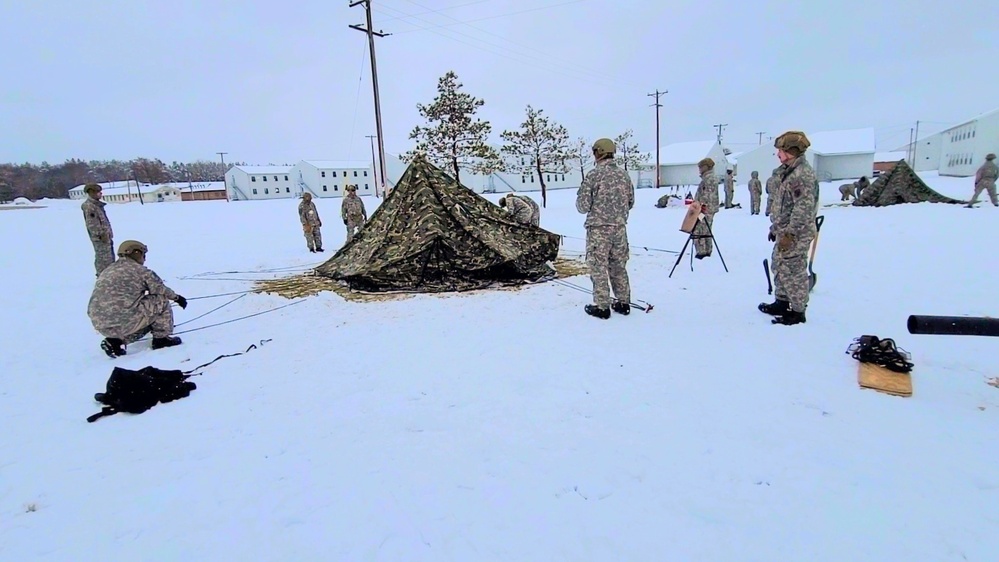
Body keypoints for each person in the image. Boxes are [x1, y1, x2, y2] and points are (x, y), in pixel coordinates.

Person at [759, 131, 819, 326]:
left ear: (792, 151)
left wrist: (790, 233)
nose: (778, 154)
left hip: (796, 233)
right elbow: (785, 205)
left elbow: (802, 209)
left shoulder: (802, 175)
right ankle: (782, 302)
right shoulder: (788, 171)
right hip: (784, 231)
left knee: (794, 270)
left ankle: (798, 311)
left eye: (781, 150)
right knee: (779, 264)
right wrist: (776, 228)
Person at [88, 240, 186, 357]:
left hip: (100, 322)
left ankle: (115, 342)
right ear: (135, 253)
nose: (144, 258)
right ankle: (161, 339)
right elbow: (160, 289)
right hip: (124, 319)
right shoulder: (141, 271)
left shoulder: (108, 270)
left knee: (142, 320)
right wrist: (177, 298)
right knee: (161, 300)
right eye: (143, 254)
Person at [575, 138, 634, 319]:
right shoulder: (624, 175)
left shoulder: (594, 175)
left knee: (598, 266)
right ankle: (623, 302)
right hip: (619, 229)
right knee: (618, 265)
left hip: (599, 230)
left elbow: (582, 206)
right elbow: (631, 202)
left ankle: (602, 306)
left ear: (598, 152)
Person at [81, 183, 114, 276]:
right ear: (91, 193)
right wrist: (100, 234)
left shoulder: (97, 205)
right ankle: (102, 276)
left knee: (108, 258)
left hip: (105, 237)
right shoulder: (89, 206)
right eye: (98, 192)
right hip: (100, 238)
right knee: (103, 258)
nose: (100, 194)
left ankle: (109, 276)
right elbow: (92, 224)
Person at [693, 157, 719, 259]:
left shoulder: (709, 179)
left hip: (704, 209)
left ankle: (702, 251)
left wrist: (699, 208)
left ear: (706, 167)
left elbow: (707, 195)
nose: (699, 169)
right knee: (706, 229)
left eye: (701, 167)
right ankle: (706, 250)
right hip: (707, 209)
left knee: (700, 229)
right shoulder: (707, 178)